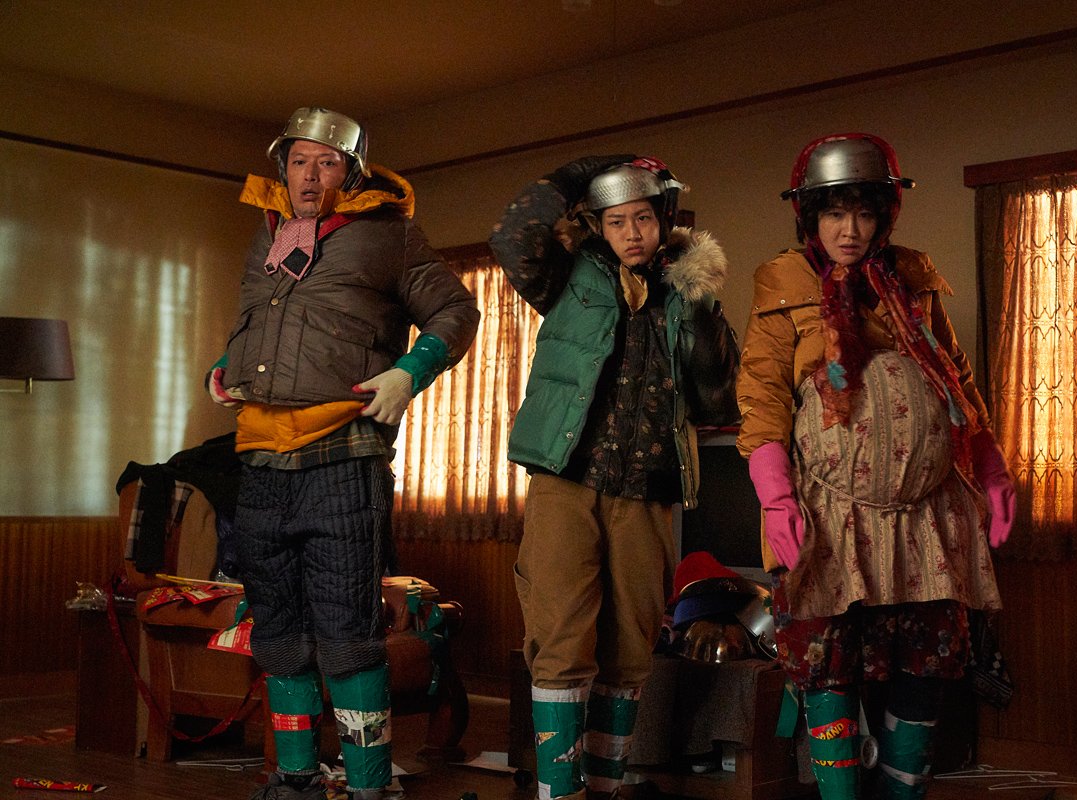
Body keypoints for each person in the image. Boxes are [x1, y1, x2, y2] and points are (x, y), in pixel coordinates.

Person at [206, 107, 480, 800]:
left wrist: (409, 373)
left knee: (348, 632)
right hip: (261, 460)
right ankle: (294, 780)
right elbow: (261, 322)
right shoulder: (267, 233)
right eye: (299, 160)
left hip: (343, 457)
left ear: (352, 173)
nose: (310, 175)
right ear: (283, 167)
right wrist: (226, 364)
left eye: (326, 162)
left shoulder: (390, 235)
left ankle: (368, 788)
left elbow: (457, 312)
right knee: (278, 632)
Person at [736, 133, 1015, 800]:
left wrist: (992, 469)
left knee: (925, 662)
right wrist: (776, 496)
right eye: (835, 214)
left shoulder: (915, 280)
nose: (850, 231)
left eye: (864, 214)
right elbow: (761, 396)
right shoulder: (782, 285)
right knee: (828, 662)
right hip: (831, 515)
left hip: (927, 514)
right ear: (810, 216)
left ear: (885, 215)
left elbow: (957, 381)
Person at [489, 155, 740, 800]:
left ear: (665, 220)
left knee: (631, 646)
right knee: (560, 632)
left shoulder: (687, 290)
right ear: (598, 225)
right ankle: (559, 793)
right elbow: (513, 236)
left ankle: (604, 787)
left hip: (649, 487)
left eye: (644, 219)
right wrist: (582, 173)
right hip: (567, 478)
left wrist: (699, 299)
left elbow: (718, 398)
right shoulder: (568, 273)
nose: (632, 233)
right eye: (617, 221)